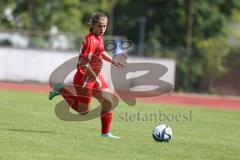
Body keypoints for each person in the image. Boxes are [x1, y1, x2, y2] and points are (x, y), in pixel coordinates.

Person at [49, 12, 126, 139]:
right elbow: (84, 64)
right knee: (83, 111)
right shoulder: (91, 40)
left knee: (108, 101)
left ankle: (105, 134)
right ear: (93, 25)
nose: (103, 29)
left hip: (95, 76)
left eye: (105, 26)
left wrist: (113, 61)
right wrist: (95, 78)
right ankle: (61, 88)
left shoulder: (98, 38)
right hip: (84, 78)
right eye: (100, 26)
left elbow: (100, 52)